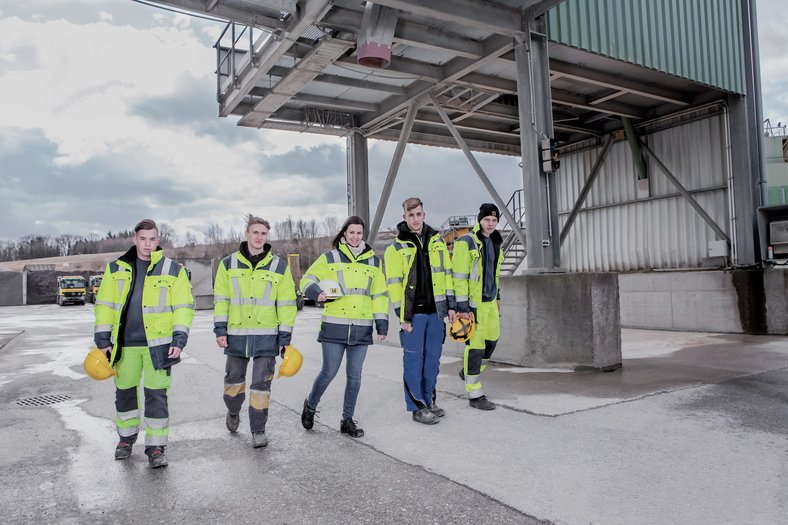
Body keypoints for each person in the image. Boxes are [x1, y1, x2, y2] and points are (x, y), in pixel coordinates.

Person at [94, 219, 194, 468]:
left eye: (152, 239)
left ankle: (156, 446)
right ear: (134, 239)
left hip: (158, 346)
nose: (147, 244)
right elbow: (104, 305)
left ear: (158, 241)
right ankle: (126, 440)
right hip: (125, 345)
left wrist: (179, 338)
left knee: (157, 396)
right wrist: (103, 339)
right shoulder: (115, 268)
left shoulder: (173, 270)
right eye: (143, 239)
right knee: (125, 394)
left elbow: (183, 307)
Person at [299, 216, 388, 438]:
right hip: (334, 326)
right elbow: (306, 280)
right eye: (351, 233)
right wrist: (315, 293)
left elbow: (379, 295)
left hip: (362, 326)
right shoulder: (330, 258)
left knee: (355, 376)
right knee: (329, 372)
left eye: (359, 233)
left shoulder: (374, 262)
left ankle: (347, 420)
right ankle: (310, 404)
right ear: (344, 234)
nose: (356, 237)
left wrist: (382, 323)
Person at [213, 215, 297, 448]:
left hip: (266, 337)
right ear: (247, 234)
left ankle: (258, 430)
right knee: (233, 384)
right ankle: (232, 410)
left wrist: (285, 337)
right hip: (236, 336)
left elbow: (287, 304)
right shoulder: (228, 264)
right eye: (255, 232)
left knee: (261, 386)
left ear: (266, 236)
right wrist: (220, 330)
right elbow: (222, 300)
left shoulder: (279, 266)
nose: (259, 237)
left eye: (263, 233)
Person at [384, 197, 456, 425]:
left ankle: (429, 400)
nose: (415, 219)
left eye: (419, 214)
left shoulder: (437, 241)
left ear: (424, 215)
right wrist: (402, 316)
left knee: (433, 360)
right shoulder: (395, 248)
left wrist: (451, 305)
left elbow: (447, 274)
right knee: (414, 361)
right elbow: (394, 286)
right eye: (411, 215)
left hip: (436, 312)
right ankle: (417, 406)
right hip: (413, 314)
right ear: (405, 217)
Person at [452, 203, 503, 410]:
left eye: (494, 220)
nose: (490, 224)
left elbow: (494, 273)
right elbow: (460, 277)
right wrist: (463, 307)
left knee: (492, 341)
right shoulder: (467, 242)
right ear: (479, 220)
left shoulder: (496, 241)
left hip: (490, 302)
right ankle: (475, 393)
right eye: (487, 220)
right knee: (475, 347)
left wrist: (497, 296)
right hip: (473, 305)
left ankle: (468, 371)